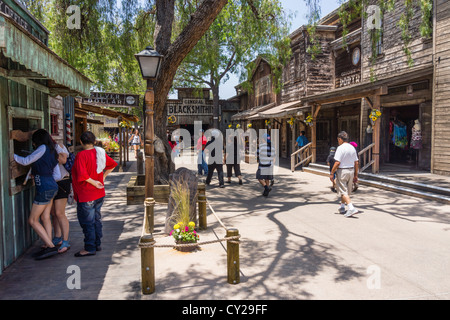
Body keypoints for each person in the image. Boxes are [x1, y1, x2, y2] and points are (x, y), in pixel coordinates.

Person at [14, 129, 61, 260]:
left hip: (44, 188)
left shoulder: (42, 148)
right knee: (45, 217)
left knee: (33, 220)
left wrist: (10, 155)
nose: (33, 144)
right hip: (52, 186)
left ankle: (51, 247)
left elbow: (25, 161)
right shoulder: (53, 151)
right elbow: (57, 175)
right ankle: (48, 244)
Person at [72, 131, 117, 257]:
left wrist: (95, 182)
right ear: (94, 141)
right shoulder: (99, 153)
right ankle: (97, 243)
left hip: (87, 194)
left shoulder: (81, 155)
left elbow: (82, 175)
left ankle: (90, 247)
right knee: (96, 219)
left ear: (81, 142)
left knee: (88, 222)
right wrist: (103, 177)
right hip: (99, 193)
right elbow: (113, 164)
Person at [330, 131, 359, 218]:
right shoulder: (352, 148)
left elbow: (337, 162)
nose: (338, 141)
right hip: (351, 170)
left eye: (338, 140)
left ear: (340, 139)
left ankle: (351, 207)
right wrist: (355, 175)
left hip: (342, 171)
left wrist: (332, 173)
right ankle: (342, 207)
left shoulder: (340, 148)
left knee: (343, 190)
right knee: (346, 191)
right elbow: (356, 162)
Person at [50, 142, 72, 253]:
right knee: (53, 213)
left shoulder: (58, 146)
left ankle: (65, 241)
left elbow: (64, 160)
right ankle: (57, 237)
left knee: (59, 213)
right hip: (52, 182)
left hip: (62, 181)